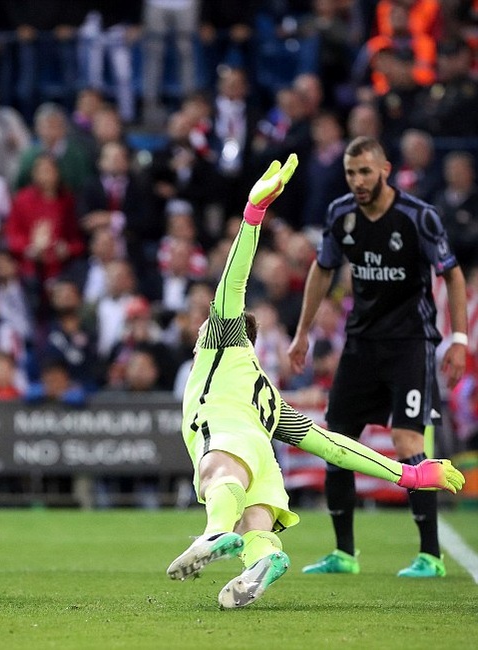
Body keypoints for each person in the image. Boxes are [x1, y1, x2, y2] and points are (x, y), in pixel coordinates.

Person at [167, 154, 465, 609]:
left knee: (216, 474)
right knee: (258, 521)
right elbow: (334, 446)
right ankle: (262, 558)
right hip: (262, 453)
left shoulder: (220, 345)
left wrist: (253, 214)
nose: (202, 324)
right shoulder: (269, 398)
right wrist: (409, 473)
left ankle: (213, 533)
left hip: (226, 435)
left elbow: (232, 283)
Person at [287, 136, 468, 578]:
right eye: (351, 173)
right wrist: (302, 331)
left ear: (385, 169)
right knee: (336, 443)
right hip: (361, 345)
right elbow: (323, 268)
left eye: (365, 171)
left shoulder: (418, 216)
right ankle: (344, 554)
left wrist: (459, 338)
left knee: (408, 443)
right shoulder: (340, 214)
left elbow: (453, 275)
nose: (358, 181)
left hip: (411, 345)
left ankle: (430, 555)